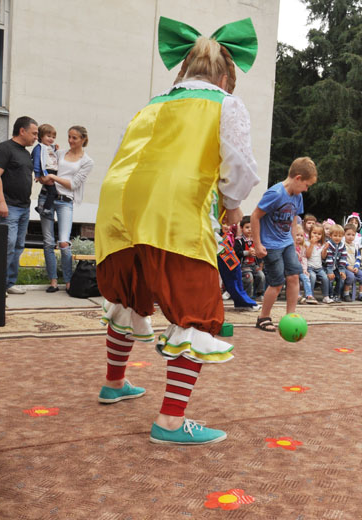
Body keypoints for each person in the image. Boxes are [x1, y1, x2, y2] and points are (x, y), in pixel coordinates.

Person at [94, 17, 259, 445]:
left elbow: (121, 155)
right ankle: (169, 421)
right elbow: (239, 166)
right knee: (198, 309)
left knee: (130, 294)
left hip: (120, 208)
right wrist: (233, 208)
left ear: (182, 70)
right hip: (175, 210)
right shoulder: (225, 103)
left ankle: (114, 383)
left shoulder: (150, 104)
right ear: (225, 76)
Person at [252, 156, 317, 331]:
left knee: (294, 276)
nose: (306, 189)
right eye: (306, 185)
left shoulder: (297, 196)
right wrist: (257, 244)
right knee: (277, 282)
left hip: (287, 242)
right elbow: (255, 216)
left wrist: (295, 241)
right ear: (297, 178)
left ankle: (291, 317)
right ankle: (263, 317)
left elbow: (294, 219)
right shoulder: (275, 193)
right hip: (271, 245)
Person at [39, 125, 95, 293]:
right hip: (46, 198)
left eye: (74, 138)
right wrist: (43, 177)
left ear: (83, 139)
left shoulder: (87, 161)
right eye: (69, 137)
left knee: (64, 243)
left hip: (65, 201)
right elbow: (45, 166)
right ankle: (53, 281)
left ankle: (69, 281)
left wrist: (53, 177)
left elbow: (73, 184)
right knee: (48, 242)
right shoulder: (60, 153)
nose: (70, 141)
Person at [0, 116, 38, 294]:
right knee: (7, 245)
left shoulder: (25, 153)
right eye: (34, 133)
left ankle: (9, 283)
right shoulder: (4, 149)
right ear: (22, 131)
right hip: (8, 206)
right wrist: (1, 202)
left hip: (24, 207)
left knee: (18, 246)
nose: (36, 137)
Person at [236, 216, 266, 301]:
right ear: (241, 228)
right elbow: (236, 253)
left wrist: (260, 264)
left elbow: (261, 253)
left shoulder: (256, 240)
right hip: (243, 266)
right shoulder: (239, 240)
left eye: (252, 228)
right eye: (247, 227)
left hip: (254, 265)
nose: (250, 230)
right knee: (249, 277)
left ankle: (259, 294)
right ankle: (247, 296)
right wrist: (247, 253)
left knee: (261, 275)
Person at [31, 123, 58, 218]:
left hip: (53, 171)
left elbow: (50, 156)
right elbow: (37, 161)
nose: (51, 139)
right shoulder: (39, 148)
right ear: (41, 136)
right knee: (53, 192)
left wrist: (55, 148)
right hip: (47, 171)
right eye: (48, 136)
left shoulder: (49, 147)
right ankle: (45, 208)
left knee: (49, 190)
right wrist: (37, 174)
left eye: (53, 137)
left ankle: (40, 206)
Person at [342, 223, 362, 302]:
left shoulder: (355, 245)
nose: (350, 237)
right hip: (346, 267)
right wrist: (348, 267)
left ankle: (361, 294)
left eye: (353, 235)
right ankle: (346, 294)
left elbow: (358, 257)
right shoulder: (342, 245)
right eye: (348, 234)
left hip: (354, 266)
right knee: (351, 276)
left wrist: (356, 266)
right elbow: (342, 258)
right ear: (344, 234)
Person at [324, 223, 346, 302]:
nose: (337, 238)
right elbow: (328, 259)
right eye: (335, 235)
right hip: (327, 267)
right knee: (330, 279)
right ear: (330, 235)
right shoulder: (328, 244)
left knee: (341, 278)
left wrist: (342, 271)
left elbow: (343, 258)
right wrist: (329, 272)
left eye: (340, 236)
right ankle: (330, 294)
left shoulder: (342, 245)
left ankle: (337, 294)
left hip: (336, 267)